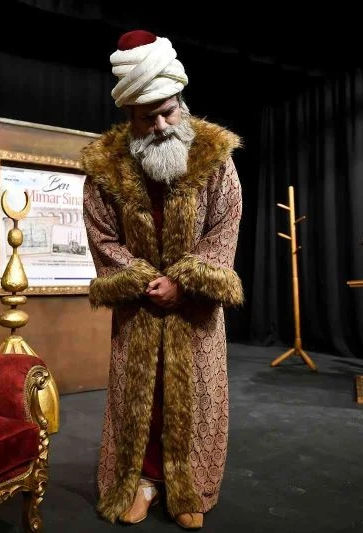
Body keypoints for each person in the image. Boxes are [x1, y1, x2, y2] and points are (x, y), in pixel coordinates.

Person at [81, 29, 244, 530]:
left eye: (168, 112)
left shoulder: (213, 157)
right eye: (146, 117)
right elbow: (101, 233)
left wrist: (185, 283)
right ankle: (143, 482)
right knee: (140, 399)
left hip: (195, 311)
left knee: (194, 396)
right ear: (129, 116)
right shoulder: (106, 167)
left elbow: (225, 225)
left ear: (181, 102)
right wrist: (141, 279)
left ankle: (188, 486)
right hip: (139, 308)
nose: (159, 125)